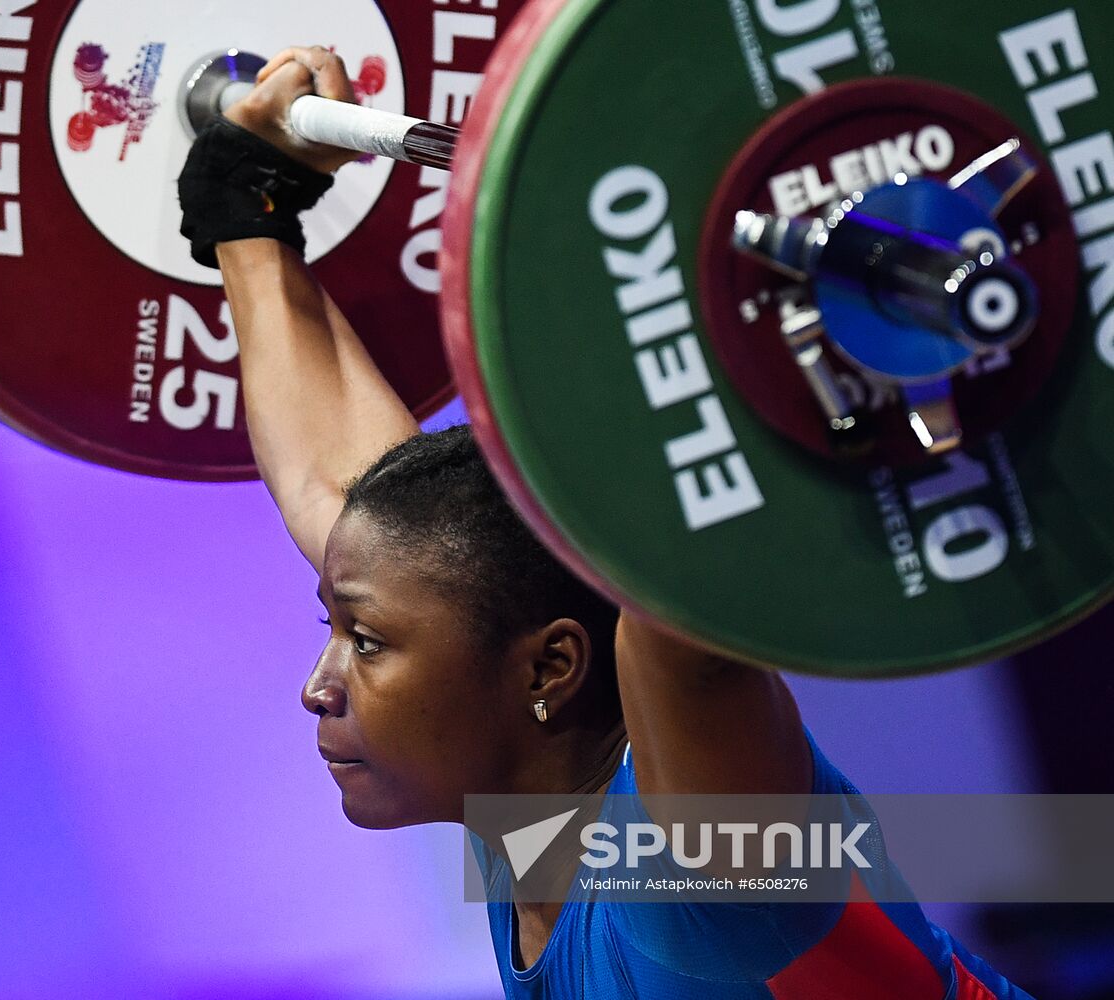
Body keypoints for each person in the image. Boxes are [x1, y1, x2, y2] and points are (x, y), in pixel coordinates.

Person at [177, 45, 1030, 998]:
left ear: (550, 666)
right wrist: (244, 211)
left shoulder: (697, 871)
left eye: (366, 642)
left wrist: (736, 326)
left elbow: (685, 630)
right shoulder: (522, 819)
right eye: (341, 630)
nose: (317, 688)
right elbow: (347, 499)